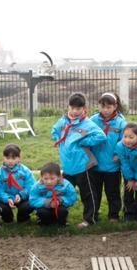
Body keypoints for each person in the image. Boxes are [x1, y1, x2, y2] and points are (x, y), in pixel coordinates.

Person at [51, 92, 106, 228]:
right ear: (68, 107)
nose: (75, 111)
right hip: (68, 166)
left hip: (83, 166)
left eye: (78, 109)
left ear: (83, 109)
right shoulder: (63, 121)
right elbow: (54, 130)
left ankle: (89, 219)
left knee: (87, 194)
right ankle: (60, 218)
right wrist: (59, 139)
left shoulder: (87, 123)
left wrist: (84, 141)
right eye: (72, 108)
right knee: (62, 191)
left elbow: (101, 136)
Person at [90, 92, 126, 222]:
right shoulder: (92, 120)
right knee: (95, 193)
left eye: (109, 107)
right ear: (98, 106)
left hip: (112, 166)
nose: (105, 110)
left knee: (113, 192)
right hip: (95, 165)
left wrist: (118, 154)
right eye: (103, 106)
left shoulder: (121, 123)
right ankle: (93, 214)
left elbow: (123, 141)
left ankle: (113, 215)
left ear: (115, 106)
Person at [0, 144, 35, 224]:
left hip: (21, 197)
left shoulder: (25, 171)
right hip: (6, 199)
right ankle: (8, 219)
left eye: (14, 158)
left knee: (29, 204)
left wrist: (21, 195)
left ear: (19, 158)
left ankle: (23, 218)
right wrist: (7, 198)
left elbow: (31, 186)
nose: (10, 161)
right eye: (7, 158)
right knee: (0, 206)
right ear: (3, 157)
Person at [29, 162, 77, 227]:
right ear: (41, 177)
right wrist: (48, 202)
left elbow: (72, 198)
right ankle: (43, 222)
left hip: (60, 206)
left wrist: (60, 200)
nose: (49, 182)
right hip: (44, 207)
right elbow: (33, 200)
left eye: (52, 178)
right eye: (45, 178)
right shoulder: (37, 186)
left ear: (59, 177)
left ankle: (62, 222)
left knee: (63, 211)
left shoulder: (66, 185)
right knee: (42, 212)